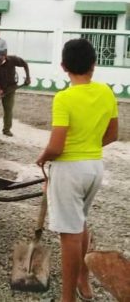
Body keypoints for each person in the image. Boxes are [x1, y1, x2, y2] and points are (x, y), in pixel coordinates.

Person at [36, 38, 118, 302]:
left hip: (69, 170)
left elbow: (57, 146)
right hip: (94, 167)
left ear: (63, 66)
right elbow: (113, 134)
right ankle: (84, 281)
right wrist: (88, 147)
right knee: (79, 223)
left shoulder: (64, 98)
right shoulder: (106, 92)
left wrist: (42, 157)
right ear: (94, 65)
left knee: (69, 235)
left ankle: (67, 298)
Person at [0, 49, 30, 136]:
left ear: (4, 56)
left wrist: (28, 77)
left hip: (10, 88)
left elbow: (25, 64)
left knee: (8, 109)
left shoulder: (13, 60)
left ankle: (7, 130)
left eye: (0, 57)